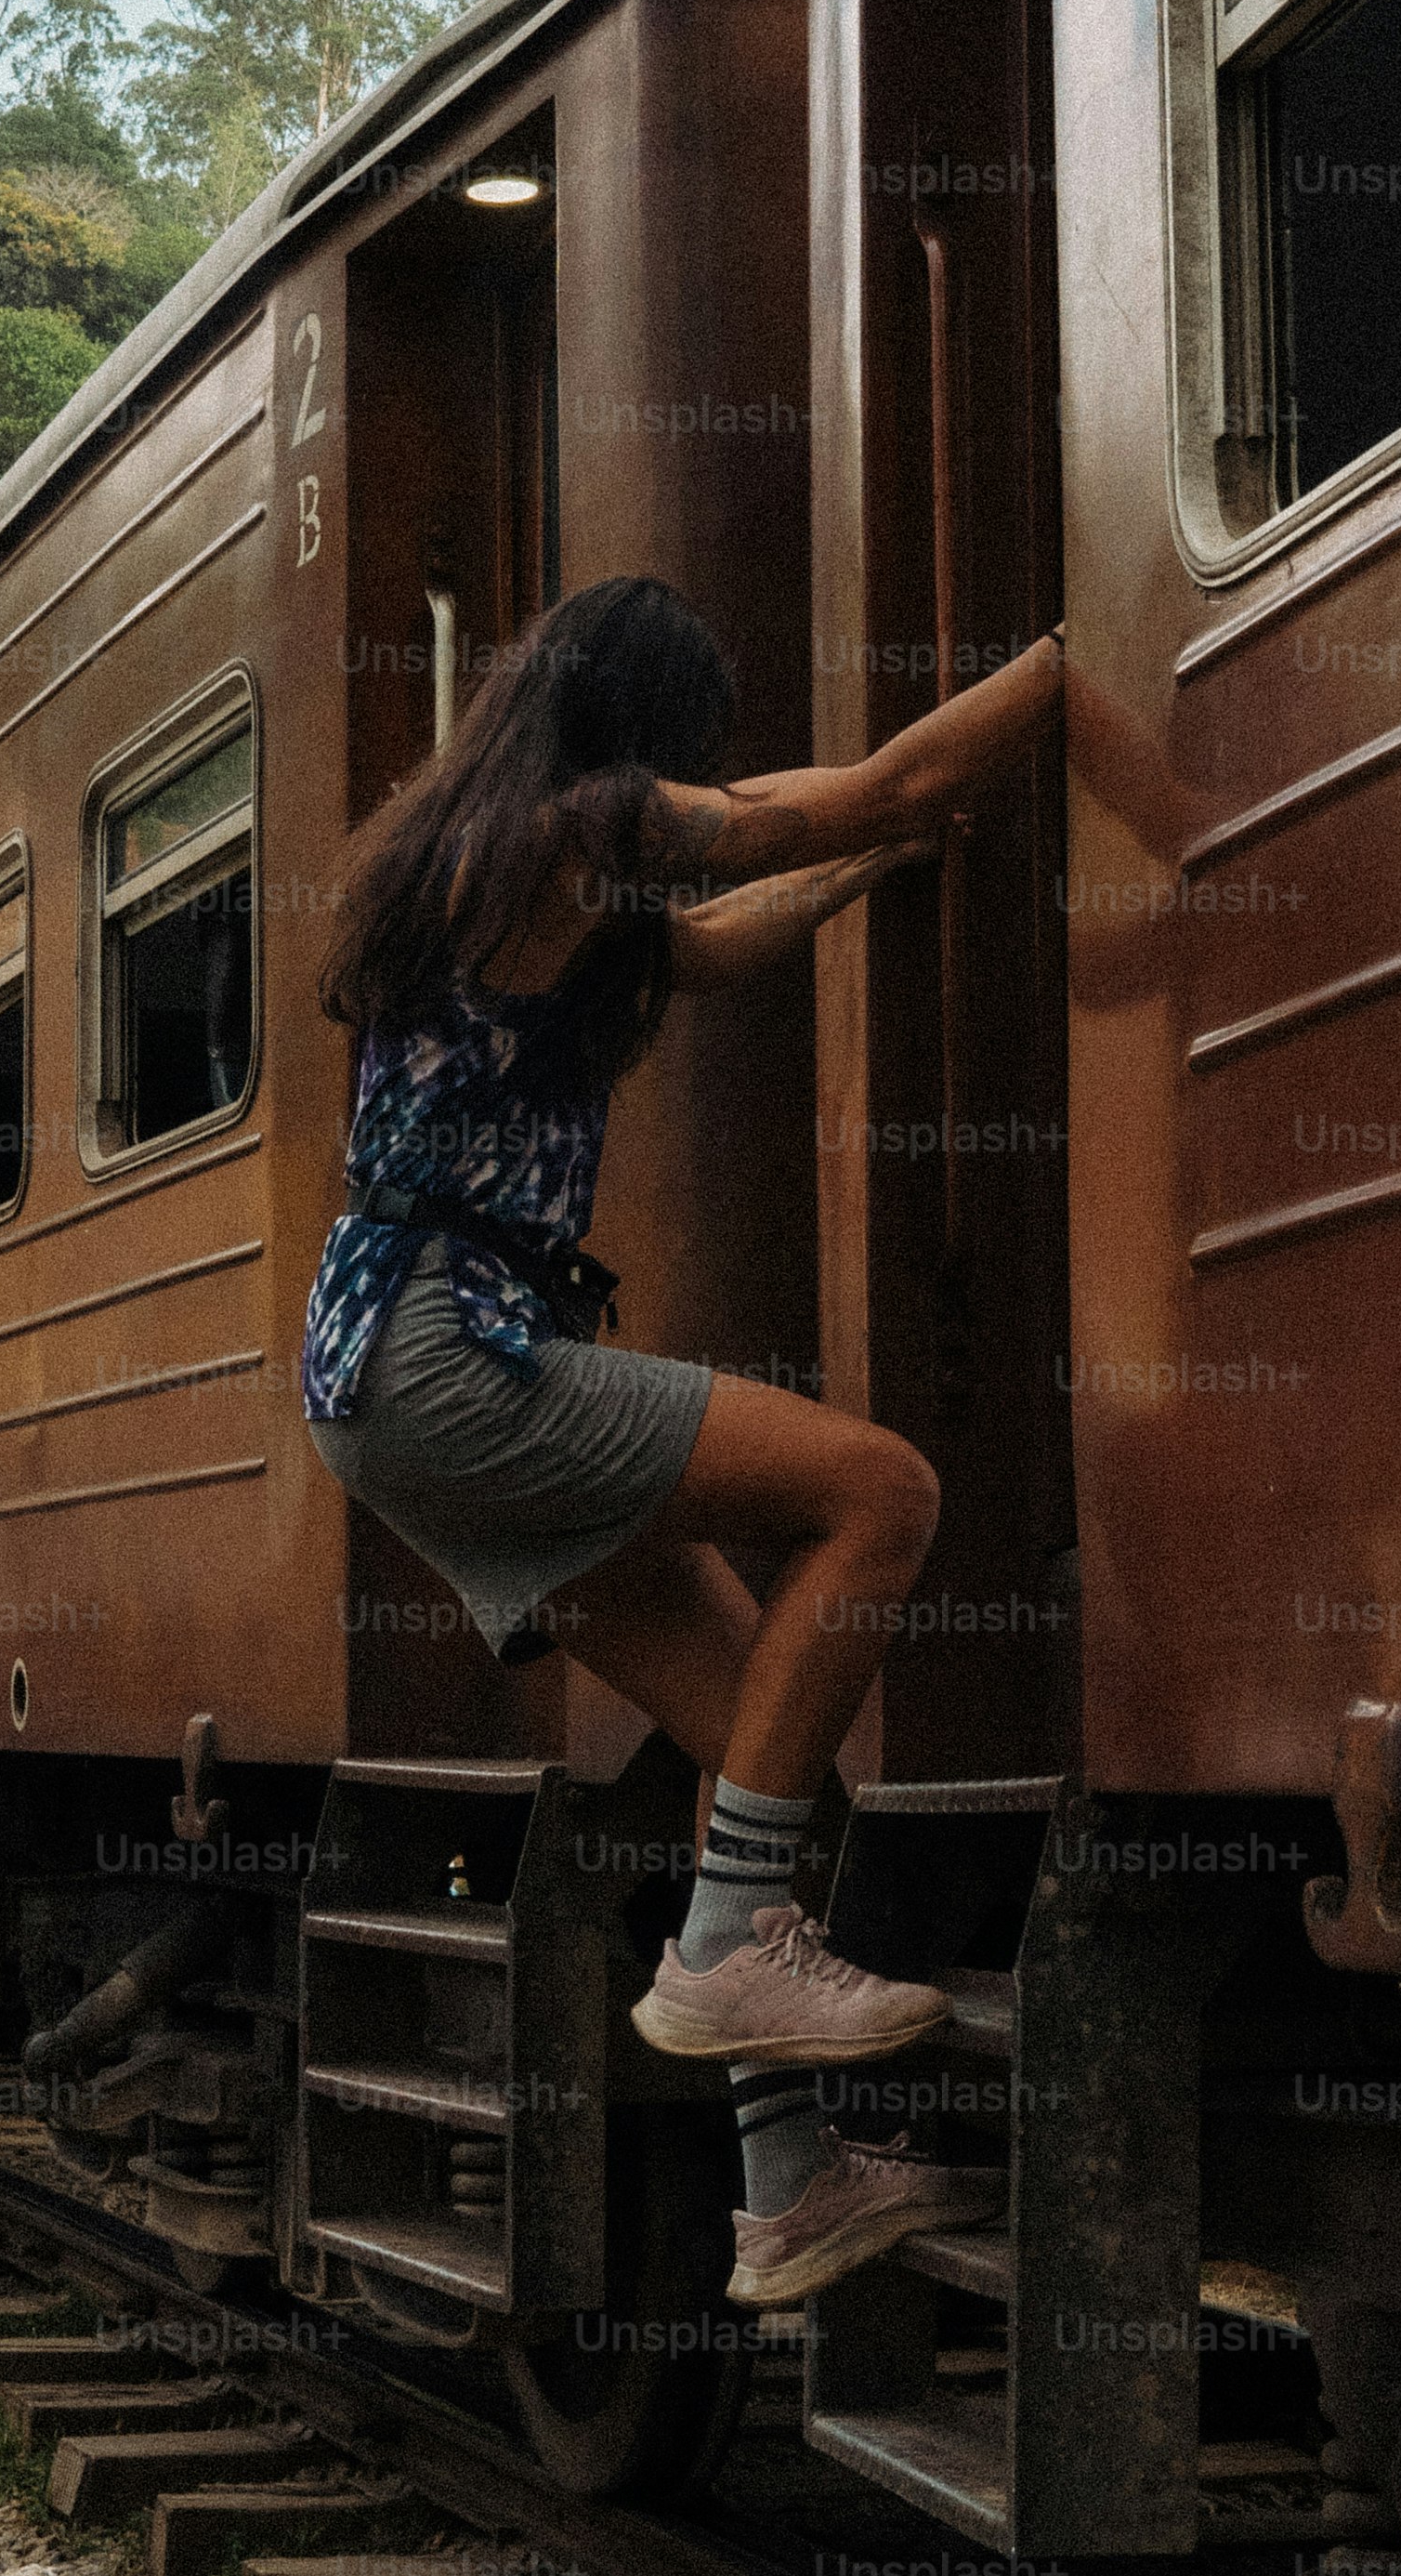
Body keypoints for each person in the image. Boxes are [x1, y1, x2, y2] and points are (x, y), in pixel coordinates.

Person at [305, 574, 1065, 2306]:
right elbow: (867, 777)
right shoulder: (590, 822)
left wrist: (875, 871)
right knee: (883, 1489)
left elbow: (721, 937)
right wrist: (1069, 651)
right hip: (453, 1349)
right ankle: (731, 1947)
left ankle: (787, 2184)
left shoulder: (503, 860)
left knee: (757, 1748)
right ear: (645, 732)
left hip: (383, 1371)